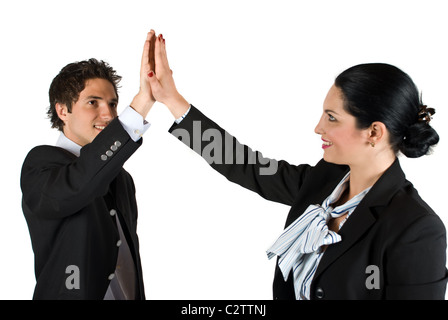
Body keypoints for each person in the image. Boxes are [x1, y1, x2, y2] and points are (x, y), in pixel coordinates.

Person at [146, 33, 448, 299]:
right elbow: (246, 165)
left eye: (332, 118)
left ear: (374, 132)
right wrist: (173, 101)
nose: (318, 128)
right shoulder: (324, 180)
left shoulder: (417, 229)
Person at [20, 30, 162, 299]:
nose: (107, 114)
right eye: (92, 102)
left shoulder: (122, 179)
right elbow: (80, 183)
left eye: (112, 103)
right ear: (63, 110)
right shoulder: (40, 165)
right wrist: (142, 102)